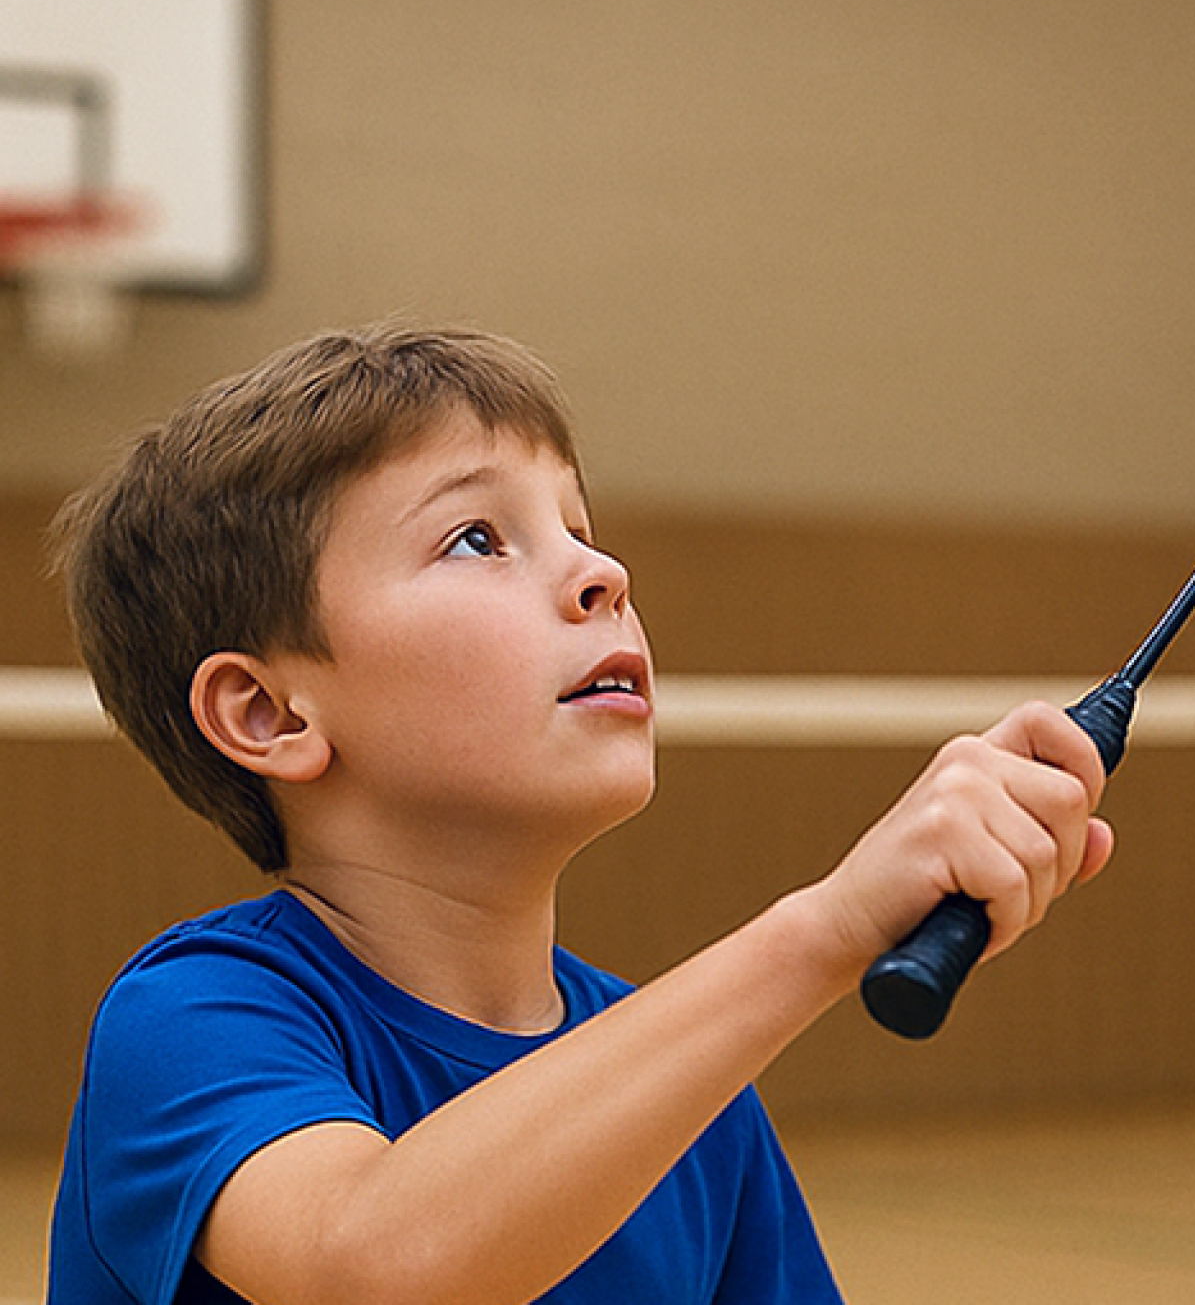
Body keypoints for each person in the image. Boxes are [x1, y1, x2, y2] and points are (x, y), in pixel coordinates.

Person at [43, 322, 1114, 1304]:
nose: (602, 572)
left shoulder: (691, 1103)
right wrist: (828, 930)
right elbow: (370, 1267)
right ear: (269, 711)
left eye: (579, 528)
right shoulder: (193, 1021)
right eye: (476, 538)